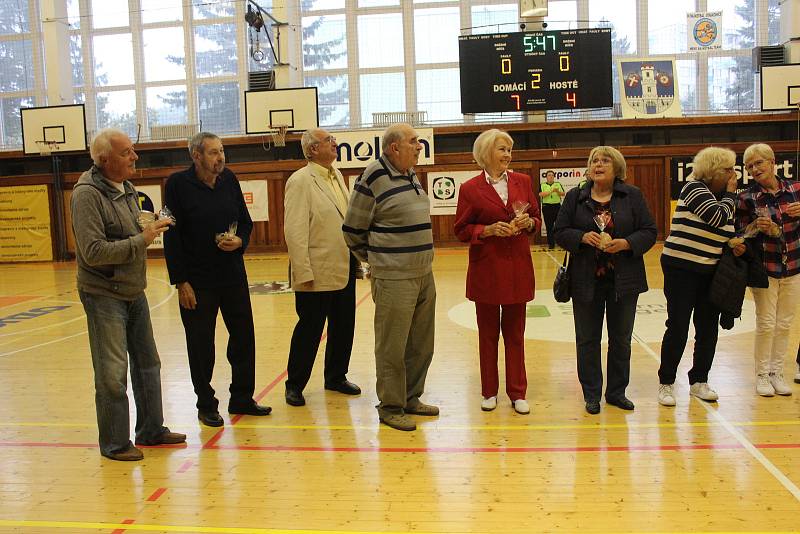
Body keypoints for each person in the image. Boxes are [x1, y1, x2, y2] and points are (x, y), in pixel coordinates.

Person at [71, 128, 186, 461]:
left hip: (134, 290)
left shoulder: (127, 186)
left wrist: (149, 224)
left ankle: (151, 429)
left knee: (148, 363)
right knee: (112, 372)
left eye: (133, 151)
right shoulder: (86, 195)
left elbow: (129, 229)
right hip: (104, 293)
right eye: (127, 153)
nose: (135, 157)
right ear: (105, 160)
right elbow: (93, 252)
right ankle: (115, 443)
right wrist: (144, 238)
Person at [163, 132, 271, 427]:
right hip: (197, 281)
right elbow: (171, 236)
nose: (220, 157)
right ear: (196, 156)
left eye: (221, 151)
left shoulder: (229, 179)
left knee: (243, 338)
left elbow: (246, 223)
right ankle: (205, 403)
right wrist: (180, 281)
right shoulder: (177, 185)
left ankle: (242, 397)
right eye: (213, 152)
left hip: (232, 275)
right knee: (201, 345)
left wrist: (240, 242)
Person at [342, 123, 437, 432]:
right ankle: (391, 406)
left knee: (421, 345)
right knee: (392, 346)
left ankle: (411, 397)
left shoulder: (411, 174)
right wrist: (379, 262)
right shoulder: (372, 177)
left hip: (424, 273)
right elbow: (352, 230)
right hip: (394, 277)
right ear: (394, 147)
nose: (419, 146)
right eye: (413, 142)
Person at [553, 146, 656, 415]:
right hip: (586, 280)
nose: (598, 164)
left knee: (621, 339)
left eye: (605, 161)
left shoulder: (631, 195)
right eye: (594, 161)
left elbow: (649, 231)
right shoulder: (575, 196)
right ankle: (591, 394)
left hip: (624, 281)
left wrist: (626, 243)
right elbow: (559, 231)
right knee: (587, 339)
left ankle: (616, 392)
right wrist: (581, 237)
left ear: (617, 168)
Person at [454, 129, 541, 414]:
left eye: (509, 150)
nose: (507, 155)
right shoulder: (469, 188)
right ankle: (489, 391)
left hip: (518, 269)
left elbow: (537, 219)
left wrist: (529, 224)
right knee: (488, 335)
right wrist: (486, 230)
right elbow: (461, 230)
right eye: (502, 149)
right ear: (486, 153)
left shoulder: (523, 181)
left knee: (516, 335)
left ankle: (517, 392)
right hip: (486, 271)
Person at [657, 147, 743, 407]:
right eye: (728, 170)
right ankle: (666, 382)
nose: (733, 175)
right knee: (678, 326)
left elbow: (727, 230)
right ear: (713, 171)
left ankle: (699, 380)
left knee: (707, 328)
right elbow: (717, 218)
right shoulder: (694, 188)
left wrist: (736, 242)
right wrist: (730, 194)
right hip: (681, 268)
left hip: (711, 270)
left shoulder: (725, 198)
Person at [283, 128, 361, 407]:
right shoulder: (300, 180)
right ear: (313, 149)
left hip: (344, 266)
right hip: (315, 272)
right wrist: (302, 272)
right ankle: (294, 385)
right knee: (309, 330)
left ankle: (336, 376)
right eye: (329, 141)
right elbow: (294, 230)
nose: (335, 143)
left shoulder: (337, 175)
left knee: (344, 326)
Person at [736, 143, 800, 397]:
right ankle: (762, 375)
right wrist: (755, 227)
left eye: (758, 163)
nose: (754, 169)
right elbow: (738, 234)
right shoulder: (747, 198)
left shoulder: (795, 189)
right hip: (765, 268)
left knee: (785, 323)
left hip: (794, 266)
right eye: (749, 166)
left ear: (773, 162)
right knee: (766, 323)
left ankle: (777, 372)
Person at [539, 170, 565, 249]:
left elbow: (563, 194)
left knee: (559, 226)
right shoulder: (542, 185)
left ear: (554, 177)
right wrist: (550, 191)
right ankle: (551, 244)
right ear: (546, 177)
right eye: (549, 175)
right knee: (549, 226)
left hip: (557, 206)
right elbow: (541, 194)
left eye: (552, 175)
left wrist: (557, 191)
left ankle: (560, 243)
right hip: (547, 207)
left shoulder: (558, 184)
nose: (550, 176)